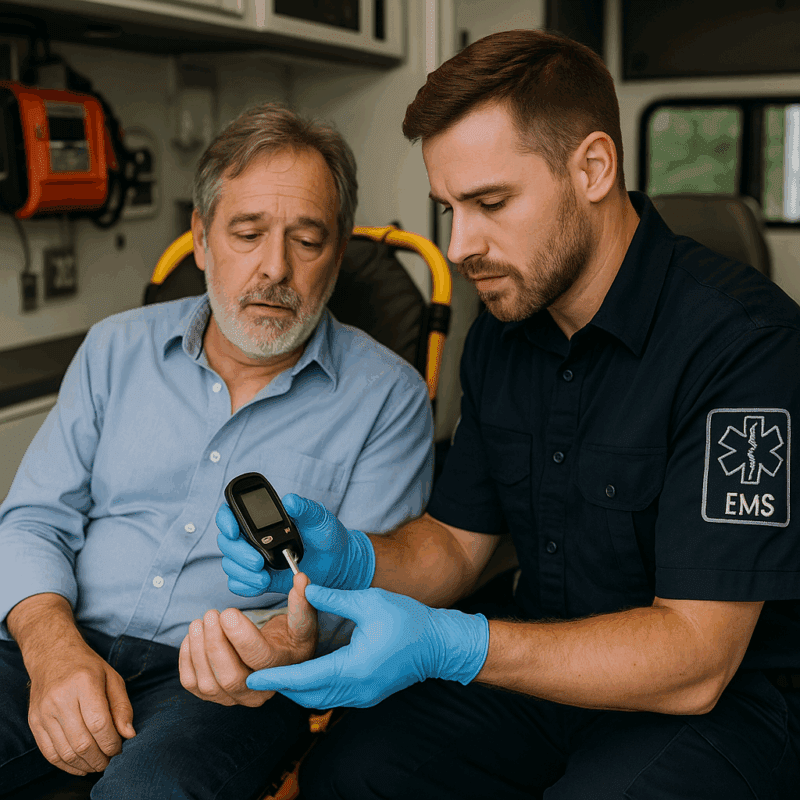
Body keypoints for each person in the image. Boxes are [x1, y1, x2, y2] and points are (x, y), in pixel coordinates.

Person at [214, 31, 800, 799]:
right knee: (351, 773)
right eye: (448, 208)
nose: (459, 247)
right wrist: (353, 558)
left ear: (593, 167)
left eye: (490, 203)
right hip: (541, 670)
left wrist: (454, 644)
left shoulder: (745, 347)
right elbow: (457, 545)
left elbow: (697, 659)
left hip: (718, 702)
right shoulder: (502, 333)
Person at [0, 102, 433, 799]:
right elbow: (31, 520)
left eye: (308, 240)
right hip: (59, 640)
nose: (275, 269)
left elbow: (365, 599)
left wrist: (289, 639)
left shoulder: (390, 397)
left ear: (341, 253)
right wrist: (52, 652)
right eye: (247, 232)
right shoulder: (115, 347)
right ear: (201, 240)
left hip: (236, 684)